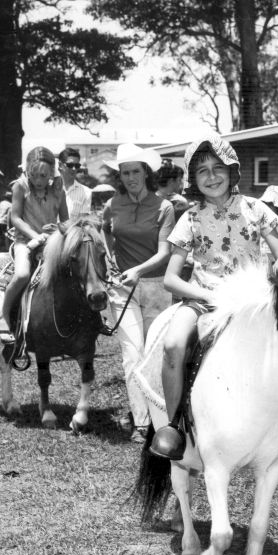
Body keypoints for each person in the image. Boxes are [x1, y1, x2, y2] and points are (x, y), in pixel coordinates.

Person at [150, 133, 278, 460]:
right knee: (172, 345)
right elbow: (170, 279)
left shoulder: (255, 208)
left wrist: (273, 273)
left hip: (252, 303)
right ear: (193, 180)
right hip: (203, 302)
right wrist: (205, 297)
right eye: (202, 171)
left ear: (232, 171)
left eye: (218, 168)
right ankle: (175, 426)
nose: (211, 176)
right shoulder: (189, 218)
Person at [102, 143, 177, 443]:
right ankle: (142, 425)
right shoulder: (112, 204)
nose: (131, 177)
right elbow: (105, 230)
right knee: (132, 355)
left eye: (135, 171)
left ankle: (162, 419)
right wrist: (110, 256)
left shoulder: (164, 207)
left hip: (156, 287)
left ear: (146, 173)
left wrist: (138, 270)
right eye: (125, 172)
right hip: (122, 289)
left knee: (153, 357)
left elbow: (164, 252)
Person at [0, 146, 70, 343]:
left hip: (52, 243)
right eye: (35, 175)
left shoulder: (58, 190)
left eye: (44, 176)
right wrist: (36, 236)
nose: (39, 181)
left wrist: (56, 230)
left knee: (76, 269)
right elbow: (15, 218)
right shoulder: (20, 186)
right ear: (28, 171)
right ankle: (2, 314)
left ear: (52, 173)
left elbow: (65, 221)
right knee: (22, 274)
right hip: (25, 242)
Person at [58, 147, 92, 219]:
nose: (74, 169)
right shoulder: (49, 188)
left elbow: (82, 223)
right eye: (70, 165)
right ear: (60, 165)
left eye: (77, 166)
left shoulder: (86, 192)